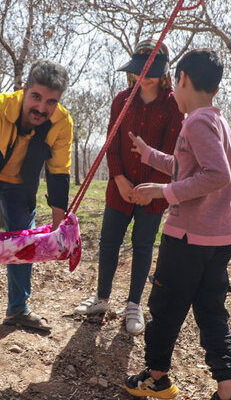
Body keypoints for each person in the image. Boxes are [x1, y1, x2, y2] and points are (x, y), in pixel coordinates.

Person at [123, 49, 231, 400]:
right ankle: (228, 395)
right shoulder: (215, 119)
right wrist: (151, 156)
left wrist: (163, 194)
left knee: (165, 307)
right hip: (218, 238)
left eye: (174, 84)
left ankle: (156, 377)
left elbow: (217, 175)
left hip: (188, 238)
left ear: (181, 79)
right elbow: (188, 168)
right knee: (211, 311)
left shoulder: (196, 122)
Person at [0, 60, 73, 352]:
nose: (42, 109)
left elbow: (59, 170)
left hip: (23, 182)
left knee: (26, 241)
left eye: (51, 102)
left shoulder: (62, 123)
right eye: (36, 97)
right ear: (24, 90)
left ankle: (18, 308)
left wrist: (59, 221)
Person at [74, 40, 183, 335]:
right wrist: (119, 178)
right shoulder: (121, 100)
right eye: (140, 69)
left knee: (143, 244)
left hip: (154, 191)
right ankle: (101, 298)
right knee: (109, 242)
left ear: (163, 73)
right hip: (119, 188)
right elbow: (111, 145)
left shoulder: (174, 105)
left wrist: (153, 188)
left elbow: (172, 154)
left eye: (152, 70)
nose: (144, 76)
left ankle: (134, 304)